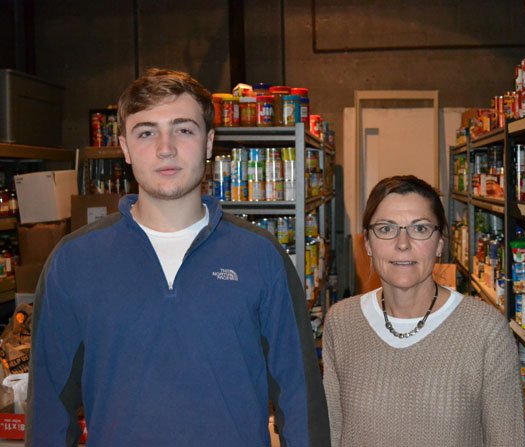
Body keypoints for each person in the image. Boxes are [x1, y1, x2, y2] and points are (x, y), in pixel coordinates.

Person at [26, 68, 330, 446]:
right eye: (146, 132)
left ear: (208, 143)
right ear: (124, 148)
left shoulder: (259, 256)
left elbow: (300, 398)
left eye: (183, 129)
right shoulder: (74, 261)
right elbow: (49, 412)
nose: (165, 147)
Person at [323, 175, 524, 446]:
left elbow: (506, 441)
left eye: (419, 229)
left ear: (440, 243)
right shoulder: (342, 321)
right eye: (385, 229)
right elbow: (333, 433)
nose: (402, 243)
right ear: (368, 243)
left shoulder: (485, 330)